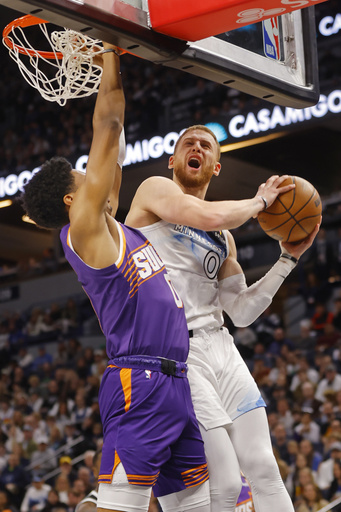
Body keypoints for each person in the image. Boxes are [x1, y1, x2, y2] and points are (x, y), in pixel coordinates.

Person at [20, 45, 210, 512]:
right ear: (71, 200)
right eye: (83, 174)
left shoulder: (109, 221)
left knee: (197, 506)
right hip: (139, 381)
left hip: (175, 382)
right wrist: (107, 50)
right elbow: (108, 126)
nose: (93, 173)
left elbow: (116, 150)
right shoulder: (83, 227)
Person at [125, 124, 320, 512]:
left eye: (205, 145)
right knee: (227, 481)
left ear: (215, 166)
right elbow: (208, 216)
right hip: (179, 350)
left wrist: (288, 258)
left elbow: (243, 311)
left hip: (222, 347)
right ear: (173, 160)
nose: (195, 147)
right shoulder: (154, 191)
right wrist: (260, 202)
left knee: (264, 466)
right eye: (187, 144)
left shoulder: (223, 240)